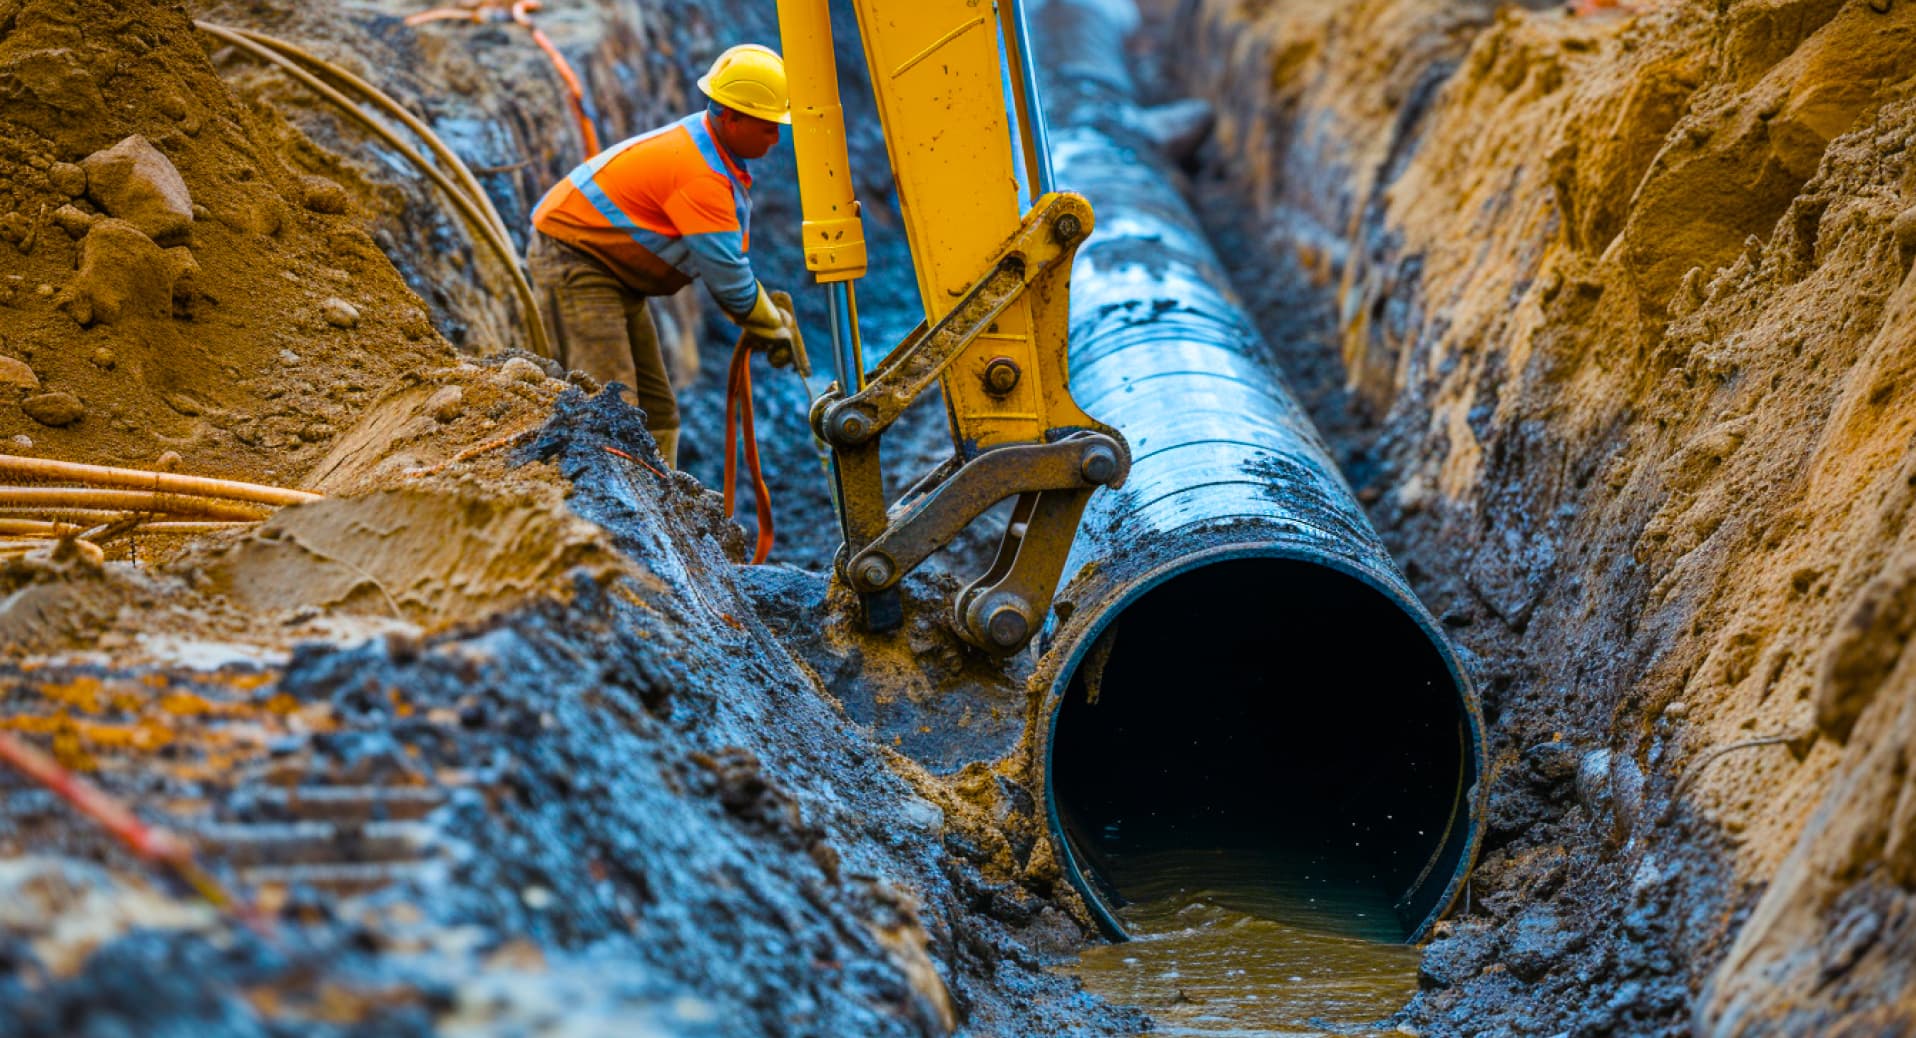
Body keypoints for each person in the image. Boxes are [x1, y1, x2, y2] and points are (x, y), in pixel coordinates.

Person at [527, 44, 795, 467]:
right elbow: (730, 282)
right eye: (768, 126)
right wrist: (772, 326)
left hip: (613, 270)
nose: (776, 137)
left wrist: (766, 319)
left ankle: (661, 511)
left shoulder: (710, 147)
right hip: (576, 259)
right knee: (613, 409)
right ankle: (612, 518)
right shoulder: (700, 173)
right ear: (731, 116)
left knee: (656, 411)